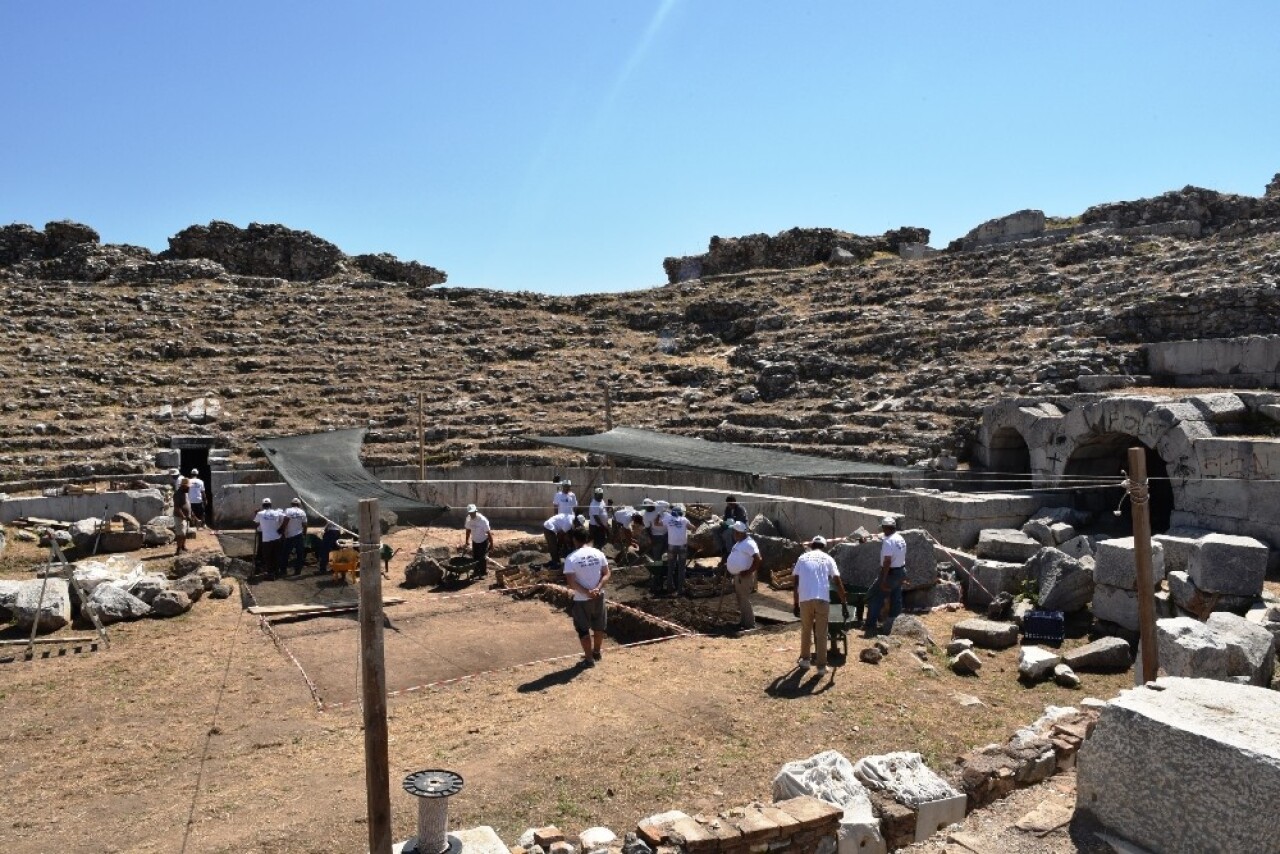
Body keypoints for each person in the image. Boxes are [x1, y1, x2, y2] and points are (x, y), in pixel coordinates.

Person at [792, 536, 849, 676]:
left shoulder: (802, 558)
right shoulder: (828, 559)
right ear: (824, 546)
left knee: (806, 630)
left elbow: (796, 583)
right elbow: (837, 581)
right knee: (822, 633)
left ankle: (805, 660)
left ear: (811, 545)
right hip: (822, 599)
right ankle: (821, 667)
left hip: (805, 599)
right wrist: (844, 601)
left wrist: (795, 603)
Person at [562, 526, 611, 666]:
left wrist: (587, 592)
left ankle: (589, 659)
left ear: (574, 539)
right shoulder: (598, 553)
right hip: (599, 596)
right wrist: (597, 588)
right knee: (598, 626)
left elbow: (571, 583)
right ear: (587, 538)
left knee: (583, 629)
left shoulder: (571, 558)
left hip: (582, 600)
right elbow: (607, 573)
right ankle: (596, 652)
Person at [865, 516, 907, 636]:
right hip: (901, 571)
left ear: (885, 527)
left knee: (876, 597)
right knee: (896, 597)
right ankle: (894, 625)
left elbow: (887, 561)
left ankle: (871, 626)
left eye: (883, 528)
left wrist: (883, 579)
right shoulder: (900, 538)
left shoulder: (888, 541)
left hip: (890, 573)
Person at [725, 521, 762, 631]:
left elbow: (758, 559)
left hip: (744, 577)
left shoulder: (749, 543)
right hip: (738, 576)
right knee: (740, 599)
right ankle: (744, 621)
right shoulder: (740, 542)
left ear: (739, 533)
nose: (733, 534)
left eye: (734, 532)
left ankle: (750, 624)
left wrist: (749, 571)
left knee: (744, 599)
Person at [253, 498, 287, 577]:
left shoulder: (260, 514)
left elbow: (255, 524)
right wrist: (282, 528)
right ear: (271, 505)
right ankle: (276, 572)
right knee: (276, 555)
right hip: (277, 537)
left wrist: (256, 514)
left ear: (263, 505)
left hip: (266, 539)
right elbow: (287, 518)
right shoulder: (276, 512)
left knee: (267, 556)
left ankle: (270, 573)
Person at [665, 503, 690, 595]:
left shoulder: (668, 519)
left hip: (671, 546)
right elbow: (693, 528)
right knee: (681, 568)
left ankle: (669, 587)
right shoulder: (684, 519)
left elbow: (657, 523)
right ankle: (680, 590)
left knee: (670, 567)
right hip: (682, 547)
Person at [281, 498, 308, 575]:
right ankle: (298, 570)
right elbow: (305, 524)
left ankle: (283, 570)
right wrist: (304, 534)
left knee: (285, 554)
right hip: (299, 535)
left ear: (291, 504)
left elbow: (285, 521)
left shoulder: (287, 510)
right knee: (300, 554)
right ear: (299, 505)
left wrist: (282, 532)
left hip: (289, 536)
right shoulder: (302, 512)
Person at [461, 503, 491, 574]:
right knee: (475, 557)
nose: (471, 514)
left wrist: (491, 544)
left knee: (482, 558)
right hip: (475, 541)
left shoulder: (482, 520)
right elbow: (468, 530)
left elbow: (488, 533)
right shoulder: (468, 519)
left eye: (473, 512)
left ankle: (483, 572)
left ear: (476, 511)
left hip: (483, 541)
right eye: (470, 513)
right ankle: (476, 571)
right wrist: (466, 541)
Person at [718, 496, 748, 564]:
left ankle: (729, 553)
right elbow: (725, 519)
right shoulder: (727, 509)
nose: (729, 506)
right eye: (728, 504)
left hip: (740, 527)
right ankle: (722, 550)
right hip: (730, 526)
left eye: (731, 504)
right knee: (715, 530)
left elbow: (739, 523)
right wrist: (722, 523)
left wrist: (728, 524)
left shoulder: (740, 509)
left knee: (728, 532)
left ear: (734, 502)